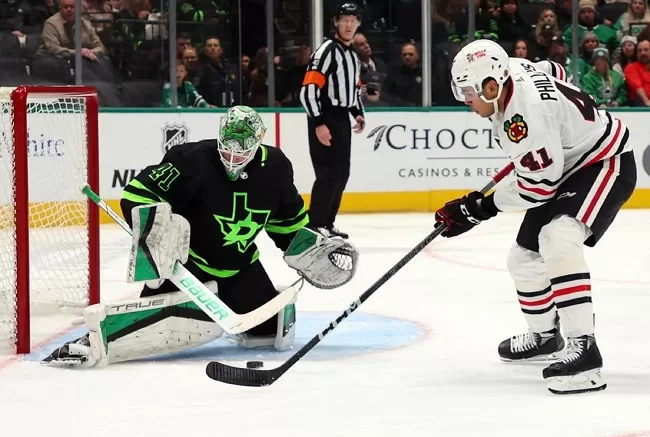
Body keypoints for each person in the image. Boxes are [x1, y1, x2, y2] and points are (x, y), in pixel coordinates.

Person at [43, 106, 359, 367]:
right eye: (227, 148)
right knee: (139, 330)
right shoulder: (191, 159)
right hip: (186, 268)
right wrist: (157, 233)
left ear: (257, 144)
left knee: (269, 331)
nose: (232, 158)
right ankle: (88, 343)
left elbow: (287, 222)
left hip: (240, 267)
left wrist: (308, 249)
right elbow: (138, 195)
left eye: (241, 152)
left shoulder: (275, 168)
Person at [435, 40, 636, 395]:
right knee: (524, 259)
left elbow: (538, 188)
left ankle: (585, 353)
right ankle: (545, 336)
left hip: (604, 161)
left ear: (491, 87)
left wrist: (478, 209)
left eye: (468, 92)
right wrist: (562, 116)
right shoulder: (511, 67)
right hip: (566, 165)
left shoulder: (525, 118)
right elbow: (552, 70)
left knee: (558, 238)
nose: (465, 99)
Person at [299, 2, 366, 239]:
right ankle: (315, 223)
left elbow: (353, 89)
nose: (349, 25)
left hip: (341, 118)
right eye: (344, 20)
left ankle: (327, 222)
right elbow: (308, 90)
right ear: (336, 22)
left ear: (358, 24)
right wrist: (318, 123)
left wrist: (357, 112)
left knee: (341, 173)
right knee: (327, 173)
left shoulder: (353, 56)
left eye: (353, 21)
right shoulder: (326, 51)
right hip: (324, 116)